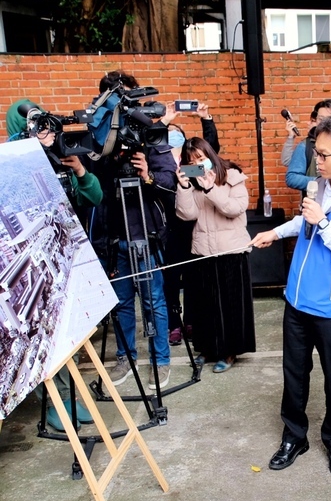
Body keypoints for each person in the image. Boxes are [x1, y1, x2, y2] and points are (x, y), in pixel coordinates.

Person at [250, 113, 331, 479]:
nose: (317, 161)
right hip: (297, 300)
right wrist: (276, 233)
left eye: (324, 155)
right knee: (294, 373)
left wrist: (324, 222)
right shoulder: (318, 186)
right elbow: (303, 220)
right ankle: (294, 436)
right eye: (317, 154)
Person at [6, 98, 102, 431]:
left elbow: (95, 197)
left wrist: (79, 171)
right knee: (46, 337)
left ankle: (70, 398)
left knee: (71, 332)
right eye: (37, 125)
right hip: (33, 267)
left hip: (68, 256)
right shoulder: (13, 161)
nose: (46, 132)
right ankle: (56, 404)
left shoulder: (57, 159)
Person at [87, 72, 178, 390]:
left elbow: (170, 180)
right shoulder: (101, 141)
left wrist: (147, 174)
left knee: (153, 300)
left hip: (145, 233)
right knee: (122, 302)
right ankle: (125, 357)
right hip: (115, 236)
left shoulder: (149, 135)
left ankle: (161, 361)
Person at [175, 138, 255, 373]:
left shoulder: (232, 176)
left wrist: (211, 188)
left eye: (201, 159)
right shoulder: (193, 181)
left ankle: (229, 352)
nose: (198, 165)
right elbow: (187, 215)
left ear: (210, 155)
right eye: (192, 162)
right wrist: (184, 187)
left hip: (231, 250)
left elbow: (234, 209)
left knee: (230, 305)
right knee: (204, 305)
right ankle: (207, 349)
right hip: (203, 250)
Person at [160, 101, 220, 346]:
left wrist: (206, 119)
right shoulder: (160, 162)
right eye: (169, 135)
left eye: (177, 135)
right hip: (170, 229)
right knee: (171, 280)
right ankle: (174, 324)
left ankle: (191, 321)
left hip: (194, 227)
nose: (173, 138)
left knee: (195, 278)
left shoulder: (191, 165)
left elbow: (211, 150)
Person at [285, 99, 331, 192]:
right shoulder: (305, 146)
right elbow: (292, 178)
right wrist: (320, 182)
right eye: (321, 119)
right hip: (314, 202)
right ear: (316, 120)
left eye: (330, 119)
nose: (325, 123)